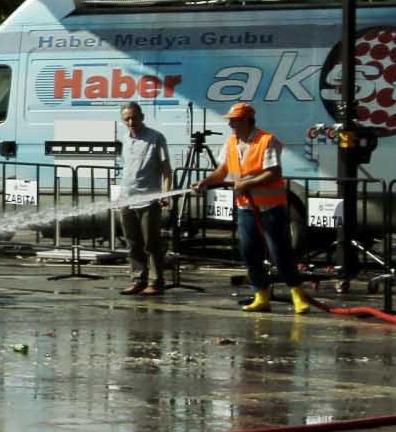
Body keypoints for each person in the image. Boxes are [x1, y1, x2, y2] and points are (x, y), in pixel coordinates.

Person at [198, 101, 312, 313]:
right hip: (246, 207)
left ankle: (297, 293)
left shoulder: (266, 140)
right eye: (230, 121)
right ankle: (261, 295)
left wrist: (247, 184)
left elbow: (274, 172)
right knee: (250, 252)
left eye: (234, 120)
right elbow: (222, 171)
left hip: (270, 207)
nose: (230, 124)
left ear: (246, 121)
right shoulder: (231, 142)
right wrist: (205, 182)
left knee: (279, 252)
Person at [113, 100, 172, 296]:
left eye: (134, 118)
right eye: (126, 119)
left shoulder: (156, 138)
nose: (130, 122)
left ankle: (156, 281)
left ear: (142, 117)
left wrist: (165, 194)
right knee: (132, 242)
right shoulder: (126, 139)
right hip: (127, 199)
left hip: (148, 200)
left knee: (151, 243)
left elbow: (166, 170)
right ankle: (138, 279)